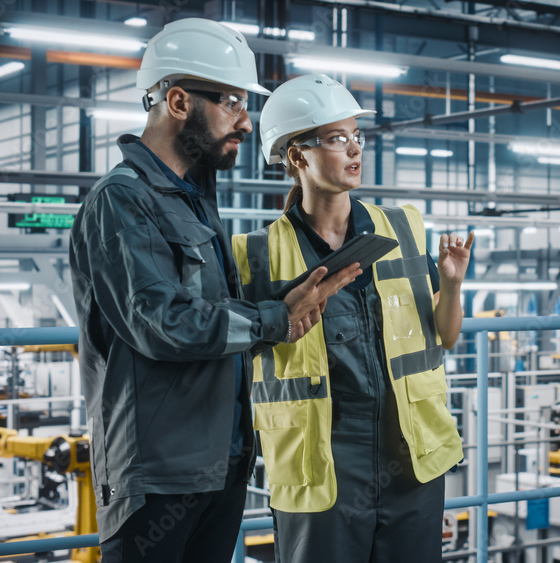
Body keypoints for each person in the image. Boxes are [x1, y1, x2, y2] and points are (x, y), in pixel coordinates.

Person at [68, 21, 360, 563]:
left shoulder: (195, 200)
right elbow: (164, 322)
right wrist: (275, 317)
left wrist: (294, 296)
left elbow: (213, 314)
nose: (247, 123)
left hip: (220, 461)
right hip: (155, 475)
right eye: (232, 103)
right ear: (178, 101)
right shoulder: (121, 202)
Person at [231, 73, 472, 562]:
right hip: (320, 467)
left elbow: (445, 337)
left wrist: (451, 285)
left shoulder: (402, 227)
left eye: (356, 137)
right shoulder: (254, 256)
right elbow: (232, 350)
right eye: (337, 139)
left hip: (411, 459)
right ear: (297, 156)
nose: (355, 150)